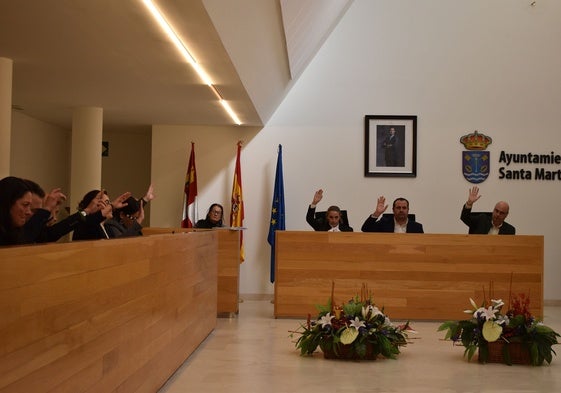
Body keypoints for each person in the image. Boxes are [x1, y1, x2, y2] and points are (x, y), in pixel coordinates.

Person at [0, 176, 34, 246]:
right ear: (7, 204)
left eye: (29, 206)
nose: (29, 212)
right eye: (25, 205)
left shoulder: (16, 232)